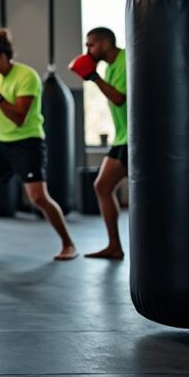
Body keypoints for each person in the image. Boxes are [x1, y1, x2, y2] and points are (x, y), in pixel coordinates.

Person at [0, 28, 77, 260]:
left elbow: (20, 117)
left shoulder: (26, 77)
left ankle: (68, 244)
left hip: (27, 143)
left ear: (2, 57)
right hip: (2, 142)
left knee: (39, 198)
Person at [69, 27, 126, 259]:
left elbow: (119, 98)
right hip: (123, 137)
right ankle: (114, 246)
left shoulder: (124, 60)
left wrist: (93, 77)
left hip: (136, 139)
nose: (87, 50)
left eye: (90, 44)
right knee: (102, 186)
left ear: (104, 42)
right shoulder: (111, 66)